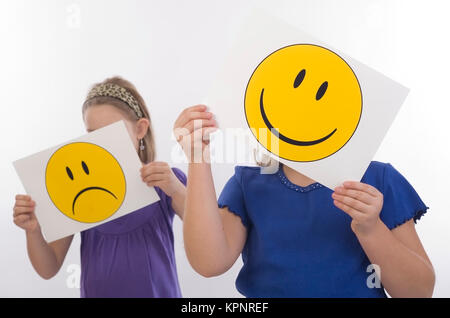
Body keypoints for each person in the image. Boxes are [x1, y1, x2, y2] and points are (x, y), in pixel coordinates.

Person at [175, 104, 435, 297]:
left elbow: (418, 291)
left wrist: (371, 228)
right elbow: (209, 263)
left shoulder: (377, 179)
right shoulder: (248, 184)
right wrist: (198, 159)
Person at [13, 77, 186, 298]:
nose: (102, 142)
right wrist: (34, 231)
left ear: (140, 129)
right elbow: (49, 268)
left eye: (112, 131)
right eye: (93, 133)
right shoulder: (77, 192)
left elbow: (208, 236)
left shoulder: (166, 182)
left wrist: (176, 189)